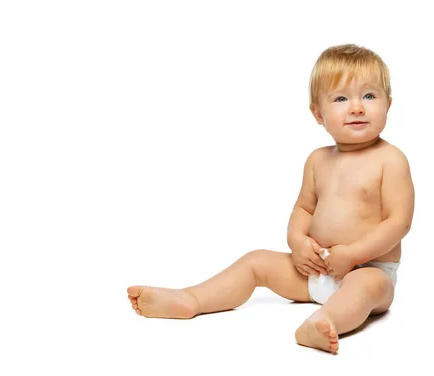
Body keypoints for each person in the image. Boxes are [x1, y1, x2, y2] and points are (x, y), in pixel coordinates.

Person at [127, 44, 415, 354]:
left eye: (369, 96)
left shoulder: (391, 160)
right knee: (256, 261)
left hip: (368, 270)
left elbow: (398, 222)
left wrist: (354, 255)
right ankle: (191, 299)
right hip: (314, 270)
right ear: (318, 113)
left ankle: (324, 322)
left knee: (364, 287)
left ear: (388, 105)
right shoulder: (317, 160)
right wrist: (297, 241)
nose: (357, 107)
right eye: (341, 98)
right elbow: (304, 208)